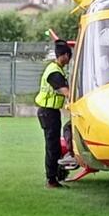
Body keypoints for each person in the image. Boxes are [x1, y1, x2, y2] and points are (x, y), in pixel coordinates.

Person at [35, 39, 75, 189]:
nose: (69, 60)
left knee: (54, 146)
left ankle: (54, 177)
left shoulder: (55, 69)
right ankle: (51, 179)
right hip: (48, 112)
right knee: (52, 147)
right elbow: (67, 92)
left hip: (50, 112)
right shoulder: (54, 72)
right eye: (69, 57)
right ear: (64, 55)